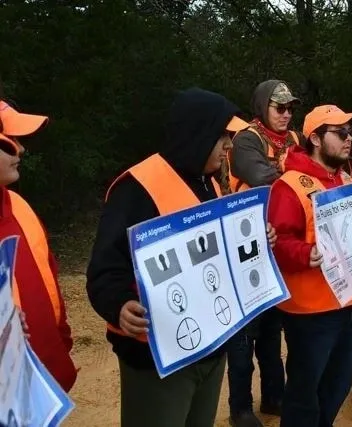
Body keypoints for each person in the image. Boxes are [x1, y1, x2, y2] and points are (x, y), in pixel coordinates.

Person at [85, 88, 275, 427]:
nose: (229, 146)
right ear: (198, 134)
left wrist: (256, 240)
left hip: (212, 346)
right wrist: (119, 305)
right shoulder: (137, 188)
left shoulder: (209, 184)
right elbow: (105, 269)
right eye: (223, 137)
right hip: (156, 358)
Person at [268, 104, 352, 427]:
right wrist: (305, 254)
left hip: (351, 301)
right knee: (304, 393)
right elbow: (277, 241)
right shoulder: (289, 186)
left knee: (338, 386)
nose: (348, 140)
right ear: (314, 138)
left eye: (350, 133)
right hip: (311, 312)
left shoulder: (344, 177)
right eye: (340, 133)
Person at [225, 80, 301, 426]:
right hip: (246, 240)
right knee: (244, 333)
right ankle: (240, 407)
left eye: (289, 108)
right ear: (262, 107)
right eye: (278, 108)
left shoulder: (295, 139)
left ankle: (274, 396)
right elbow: (262, 176)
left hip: (279, 239)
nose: (286, 114)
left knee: (272, 329)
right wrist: (300, 173)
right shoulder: (246, 140)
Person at [0, 100, 77, 392]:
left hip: (44, 378)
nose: (20, 149)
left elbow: (49, 278)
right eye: (10, 141)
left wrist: (61, 341)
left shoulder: (19, 206)